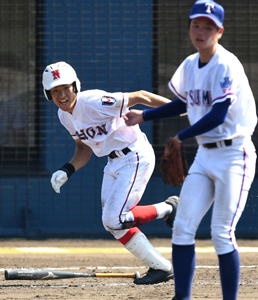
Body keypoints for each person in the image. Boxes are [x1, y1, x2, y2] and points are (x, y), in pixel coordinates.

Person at [124, 0, 257, 299]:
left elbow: (219, 113)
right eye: (196, 24)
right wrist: (142, 115)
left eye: (208, 27)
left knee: (222, 234)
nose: (200, 31)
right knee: (183, 226)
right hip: (205, 155)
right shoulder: (189, 65)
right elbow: (184, 103)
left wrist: (182, 135)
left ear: (219, 31)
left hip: (235, 155)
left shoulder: (226, 64)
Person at [42, 61, 179, 285]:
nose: (62, 94)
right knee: (111, 223)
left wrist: (178, 108)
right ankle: (161, 267)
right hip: (114, 162)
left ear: (75, 86)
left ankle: (169, 209)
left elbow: (140, 96)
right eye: (55, 90)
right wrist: (67, 169)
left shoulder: (93, 100)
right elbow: (83, 149)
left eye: (65, 87)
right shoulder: (64, 116)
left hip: (135, 155)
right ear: (48, 94)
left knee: (114, 218)